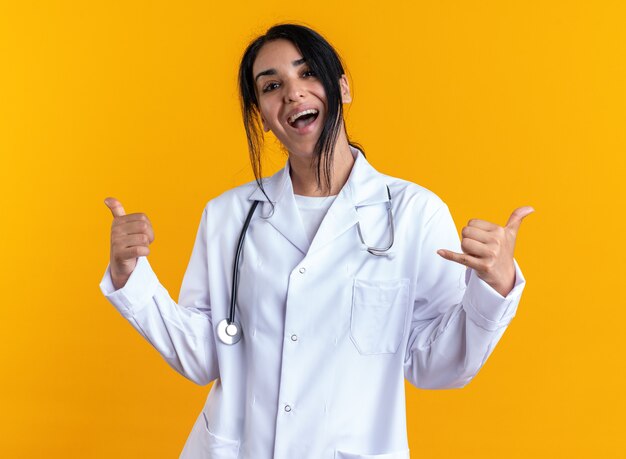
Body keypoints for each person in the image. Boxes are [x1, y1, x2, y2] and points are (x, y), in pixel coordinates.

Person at [100, 23, 532, 459]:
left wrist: (495, 286)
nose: (292, 93)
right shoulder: (229, 216)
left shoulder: (414, 213)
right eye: (271, 85)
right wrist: (130, 277)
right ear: (264, 119)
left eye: (307, 73)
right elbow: (204, 357)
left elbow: (439, 363)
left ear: (342, 87)